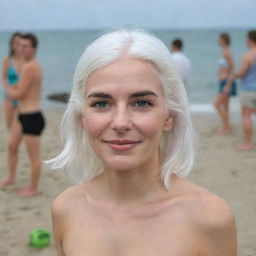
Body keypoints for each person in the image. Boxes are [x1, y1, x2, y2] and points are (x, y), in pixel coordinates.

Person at [47, 30, 237, 255]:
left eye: (142, 103)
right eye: (101, 103)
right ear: (82, 116)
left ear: (169, 116)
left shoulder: (209, 218)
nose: (120, 123)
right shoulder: (66, 209)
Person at [2, 33, 45, 197]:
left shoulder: (30, 66)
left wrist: (6, 85)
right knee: (12, 146)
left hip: (31, 116)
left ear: (33, 48)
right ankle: (11, 177)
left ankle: (33, 188)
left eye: (26, 46)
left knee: (34, 156)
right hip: (22, 115)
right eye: (20, 46)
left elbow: (19, 93)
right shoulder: (28, 65)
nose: (21, 49)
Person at [225, 30, 256, 150]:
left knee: (246, 115)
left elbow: (242, 73)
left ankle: (247, 143)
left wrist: (233, 75)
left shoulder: (248, 55)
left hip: (248, 90)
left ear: (249, 39)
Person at [214, 33, 237, 135]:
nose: (218, 40)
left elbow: (232, 68)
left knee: (217, 104)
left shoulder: (227, 52)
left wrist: (228, 83)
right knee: (225, 106)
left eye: (219, 39)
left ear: (223, 40)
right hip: (223, 81)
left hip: (226, 82)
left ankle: (227, 126)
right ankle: (226, 127)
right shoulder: (224, 51)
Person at [2, 32, 23, 129]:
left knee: (21, 125)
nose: (18, 46)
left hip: (22, 97)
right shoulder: (8, 60)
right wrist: (8, 89)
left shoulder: (27, 60)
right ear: (12, 45)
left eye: (20, 43)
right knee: (9, 125)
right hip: (10, 97)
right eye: (15, 43)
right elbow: (2, 77)